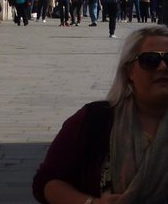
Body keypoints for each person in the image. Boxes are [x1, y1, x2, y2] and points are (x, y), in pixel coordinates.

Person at [33, 25, 168, 203]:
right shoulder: (95, 119)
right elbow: (47, 182)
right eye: (150, 60)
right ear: (129, 72)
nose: (163, 67)